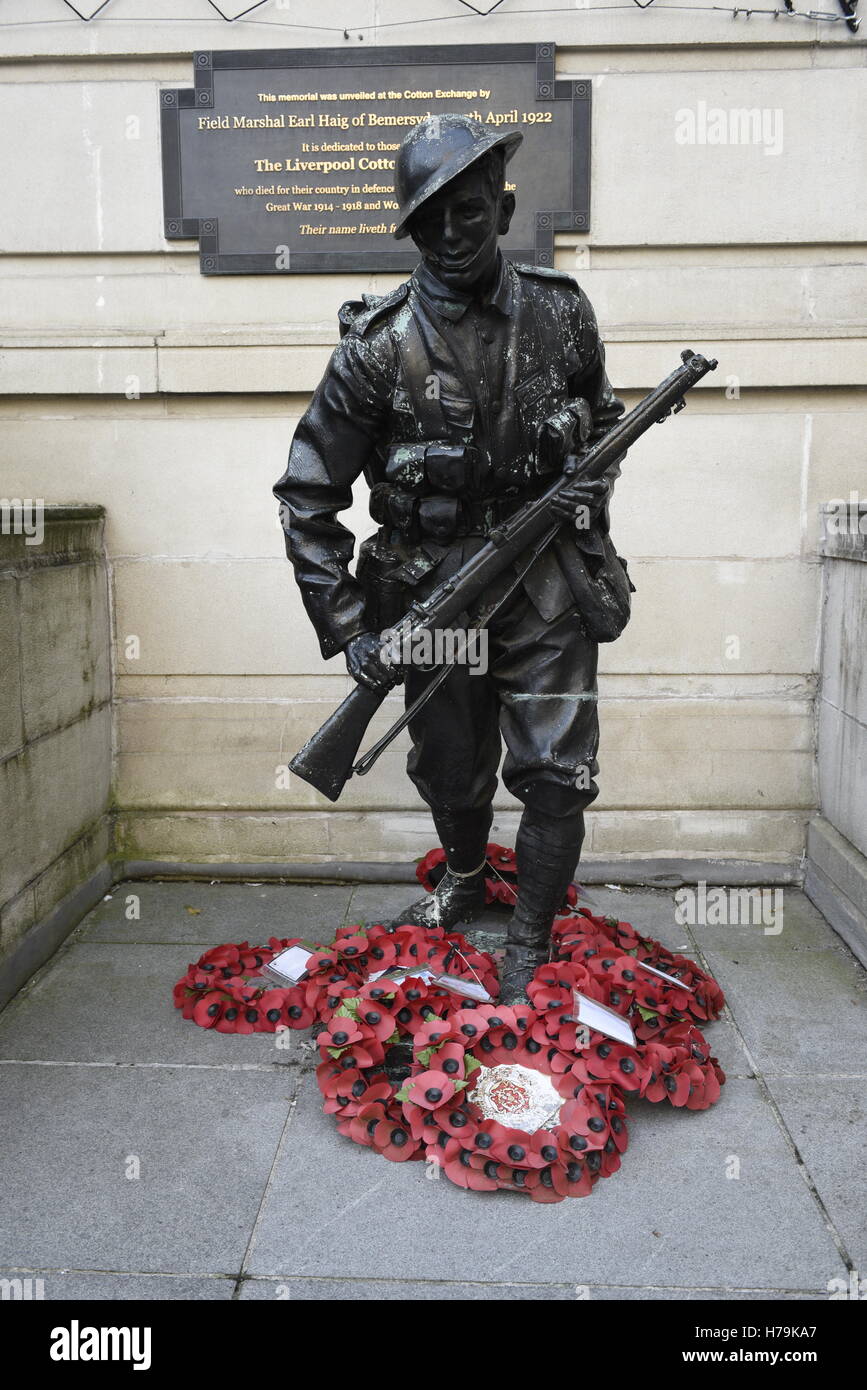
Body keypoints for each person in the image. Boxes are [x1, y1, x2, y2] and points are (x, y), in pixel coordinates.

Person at [274, 113, 631, 1003]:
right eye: (426, 220)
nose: (447, 235)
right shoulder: (374, 344)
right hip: (429, 588)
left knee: (559, 771)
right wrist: (351, 627)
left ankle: (528, 944)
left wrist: (589, 487)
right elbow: (307, 495)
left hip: (546, 579)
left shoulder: (561, 311)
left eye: (465, 213)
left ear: (502, 209)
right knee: (448, 763)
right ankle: (466, 878)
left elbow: (602, 424)